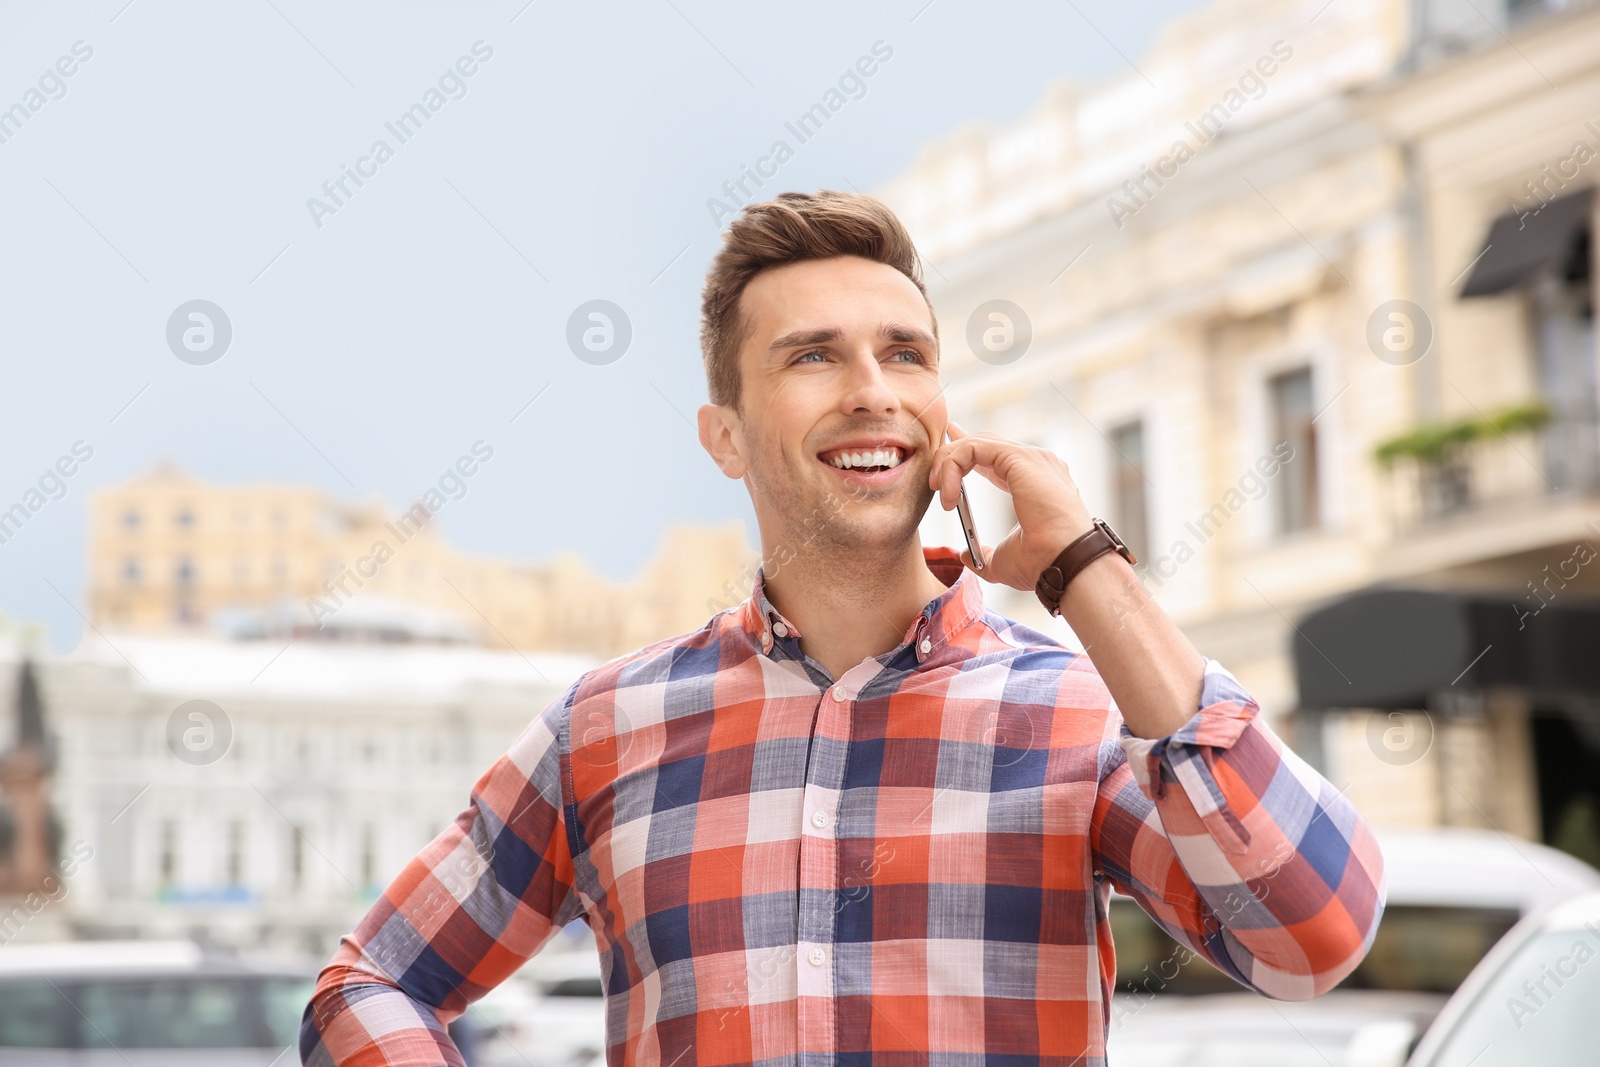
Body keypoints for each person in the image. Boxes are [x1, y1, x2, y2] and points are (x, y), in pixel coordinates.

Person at [298, 190, 1385, 1066]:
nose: (874, 391)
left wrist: (1082, 567)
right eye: (812, 355)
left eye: (906, 353)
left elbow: (1309, 937)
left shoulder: (1082, 714)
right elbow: (368, 984)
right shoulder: (603, 729)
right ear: (723, 436)